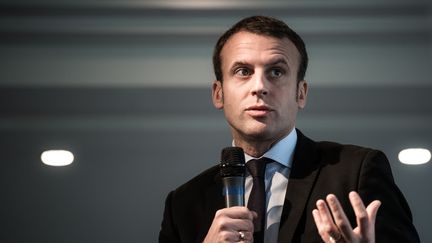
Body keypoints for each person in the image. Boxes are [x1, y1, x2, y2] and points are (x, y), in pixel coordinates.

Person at [159, 16, 420, 243]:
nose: (259, 86)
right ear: (219, 94)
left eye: (276, 71)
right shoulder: (183, 204)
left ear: (301, 93)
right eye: (242, 71)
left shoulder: (357, 171)